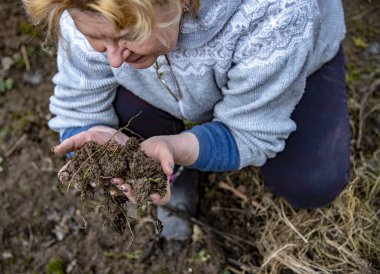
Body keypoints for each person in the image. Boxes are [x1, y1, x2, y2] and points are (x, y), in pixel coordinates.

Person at [23, 0, 350, 246]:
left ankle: (175, 155)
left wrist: (179, 146)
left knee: (311, 182)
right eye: (96, 38)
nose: (113, 59)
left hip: (284, 72)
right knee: (129, 120)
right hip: (158, 85)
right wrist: (94, 143)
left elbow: (251, 131)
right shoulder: (87, 7)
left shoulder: (278, 12)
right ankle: (169, 173)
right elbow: (79, 105)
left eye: (127, 37)